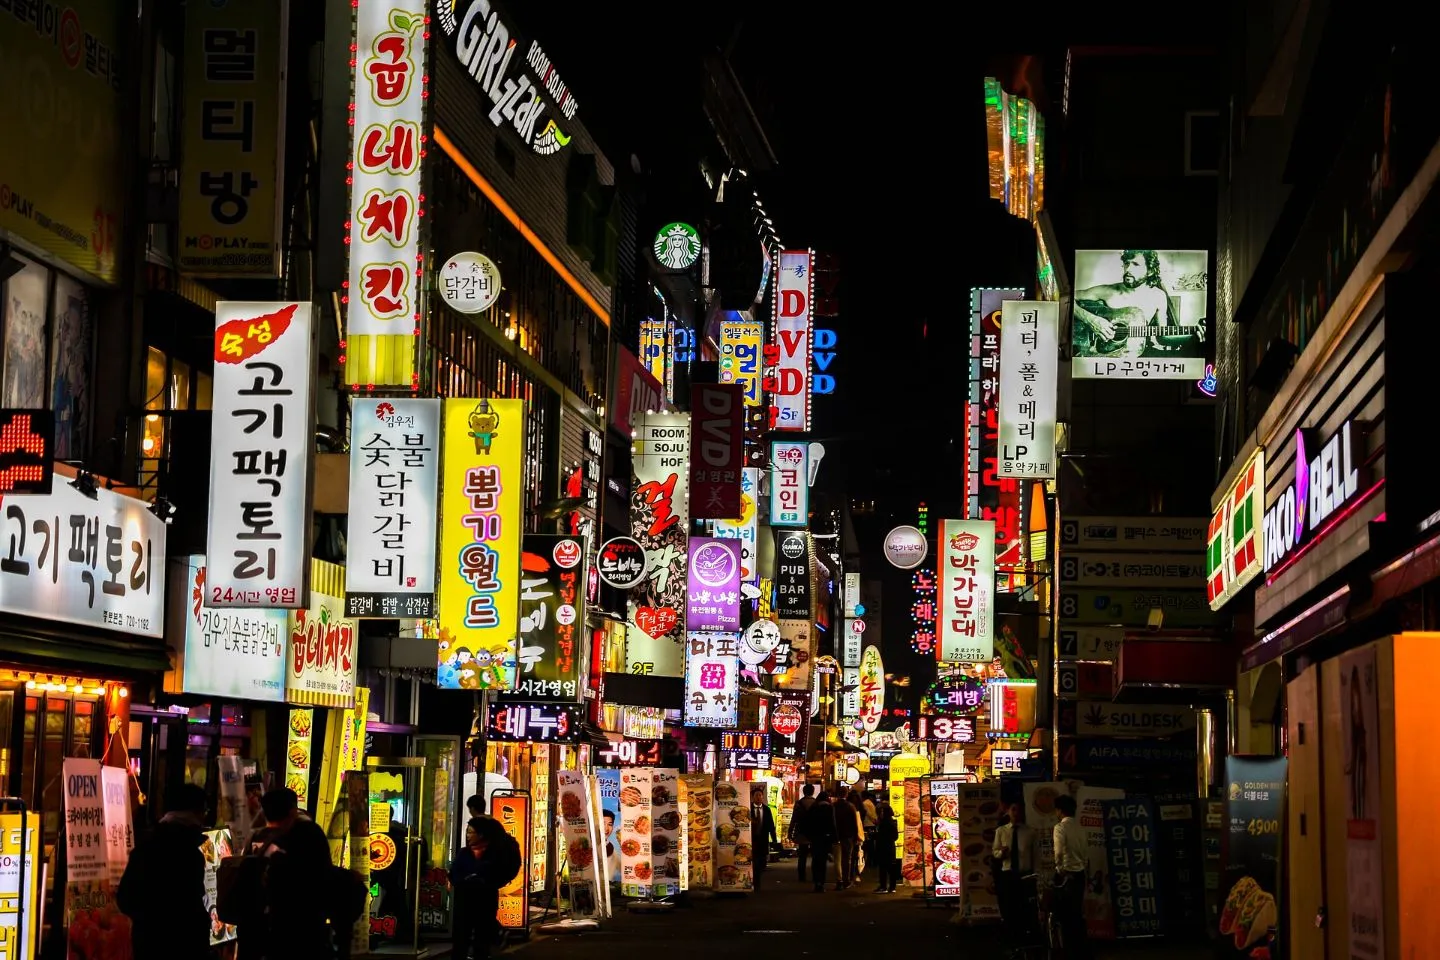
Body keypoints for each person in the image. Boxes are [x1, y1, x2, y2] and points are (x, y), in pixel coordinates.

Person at [117, 782, 210, 960]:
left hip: (148, 943)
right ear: (196, 813)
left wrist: (147, 922)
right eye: (204, 811)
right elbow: (190, 907)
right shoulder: (190, 854)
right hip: (183, 946)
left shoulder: (144, 849)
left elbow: (125, 899)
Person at [251, 787, 336, 960]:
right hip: (305, 922)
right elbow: (322, 875)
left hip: (264, 922)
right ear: (292, 810)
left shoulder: (257, 836)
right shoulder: (310, 833)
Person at [1073, 248, 1202, 359]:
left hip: (1134, 357)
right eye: (1126, 263)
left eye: (1135, 264)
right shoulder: (1105, 291)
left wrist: (1193, 333)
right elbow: (1066, 298)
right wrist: (1090, 319)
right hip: (1100, 355)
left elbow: (1162, 336)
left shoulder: (1158, 296)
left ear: (1150, 271)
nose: (1128, 269)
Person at [451, 798, 521, 960]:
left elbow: (494, 871)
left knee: (479, 936)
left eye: (470, 832)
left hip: (483, 897)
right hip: (469, 899)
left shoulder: (490, 854)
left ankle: (489, 941)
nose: (468, 836)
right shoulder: (467, 852)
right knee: (467, 936)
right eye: (467, 832)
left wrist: (480, 880)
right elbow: (455, 873)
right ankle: (495, 935)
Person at [993, 802, 1039, 944]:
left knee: (1025, 908)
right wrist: (1002, 853)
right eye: (1013, 809)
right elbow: (995, 852)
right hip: (1007, 874)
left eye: (1019, 810)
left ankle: (1026, 939)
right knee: (1009, 908)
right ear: (1008, 811)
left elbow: (1036, 856)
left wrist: (1036, 875)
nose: (1016, 812)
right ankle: (1011, 938)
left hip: (1025, 875)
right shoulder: (1001, 831)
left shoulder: (1031, 832)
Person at [1051, 794, 1091, 960]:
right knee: (1076, 913)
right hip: (1080, 874)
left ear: (1059, 811)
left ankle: (1068, 951)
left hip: (1067, 876)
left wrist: (1059, 869)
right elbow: (1085, 853)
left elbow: (1058, 852)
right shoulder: (1081, 827)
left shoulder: (1060, 828)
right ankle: (1080, 950)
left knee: (1065, 915)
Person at [801, 789, 837, 892]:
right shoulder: (829, 808)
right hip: (825, 838)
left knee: (815, 860)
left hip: (815, 838)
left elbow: (806, 822)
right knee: (822, 862)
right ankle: (821, 883)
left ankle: (816, 882)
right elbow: (832, 824)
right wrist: (834, 838)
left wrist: (809, 836)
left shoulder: (814, 807)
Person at [833, 790, 862, 890]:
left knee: (837, 859)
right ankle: (846, 880)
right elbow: (855, 823)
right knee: (847, 858)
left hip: (836, 836)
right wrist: (855, 836)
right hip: (848, 836)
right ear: (846, 795)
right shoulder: (850, 806)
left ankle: (839, 880)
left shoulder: (833, 806)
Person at [788, 784, 817, 882]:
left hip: (801, 832)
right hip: (814, 833)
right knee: (815, 856)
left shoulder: (799, 803)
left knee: (802, 856)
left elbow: (794, 819)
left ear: (803, 792)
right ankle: (815, 876)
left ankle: (802, 876)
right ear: (813, 792)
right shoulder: (816, 803)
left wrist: (790, 832)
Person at [749, 786, 778, 882]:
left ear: (763, 797)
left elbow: (770, 825)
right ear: (752, 797)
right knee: (753, 861)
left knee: (761, 862)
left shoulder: (767, 809)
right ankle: (754, 879)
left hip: (763, 839)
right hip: (751, 839)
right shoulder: (748, 808)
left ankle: (757, 877)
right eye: (756, 795)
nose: (758, 797)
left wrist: (774, 839)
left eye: (760, 795)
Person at [873, 801, 900, 894]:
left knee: (884, 867)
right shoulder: (891, 821)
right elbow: (896, 836)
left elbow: (888, 836)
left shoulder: (885, 823)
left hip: (884, 847)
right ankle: (891, 887)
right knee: (890, 868)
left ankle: (884, 886)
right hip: (890, 847)